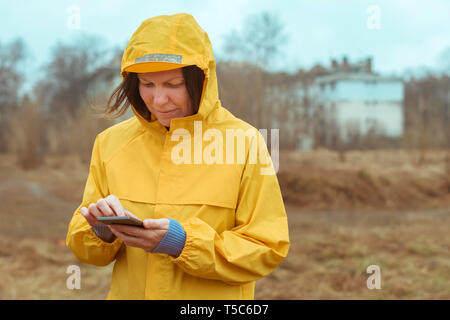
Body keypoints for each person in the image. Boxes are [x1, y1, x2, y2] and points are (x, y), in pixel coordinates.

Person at [66, 13, 290, 300]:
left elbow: (267, 246)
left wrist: (182, 243)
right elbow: (83, 246)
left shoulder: (244, 143)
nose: (158, 100)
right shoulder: (110, 143)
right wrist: (100, 230)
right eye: (147, 84)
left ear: (201, 80)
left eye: (172, 85)